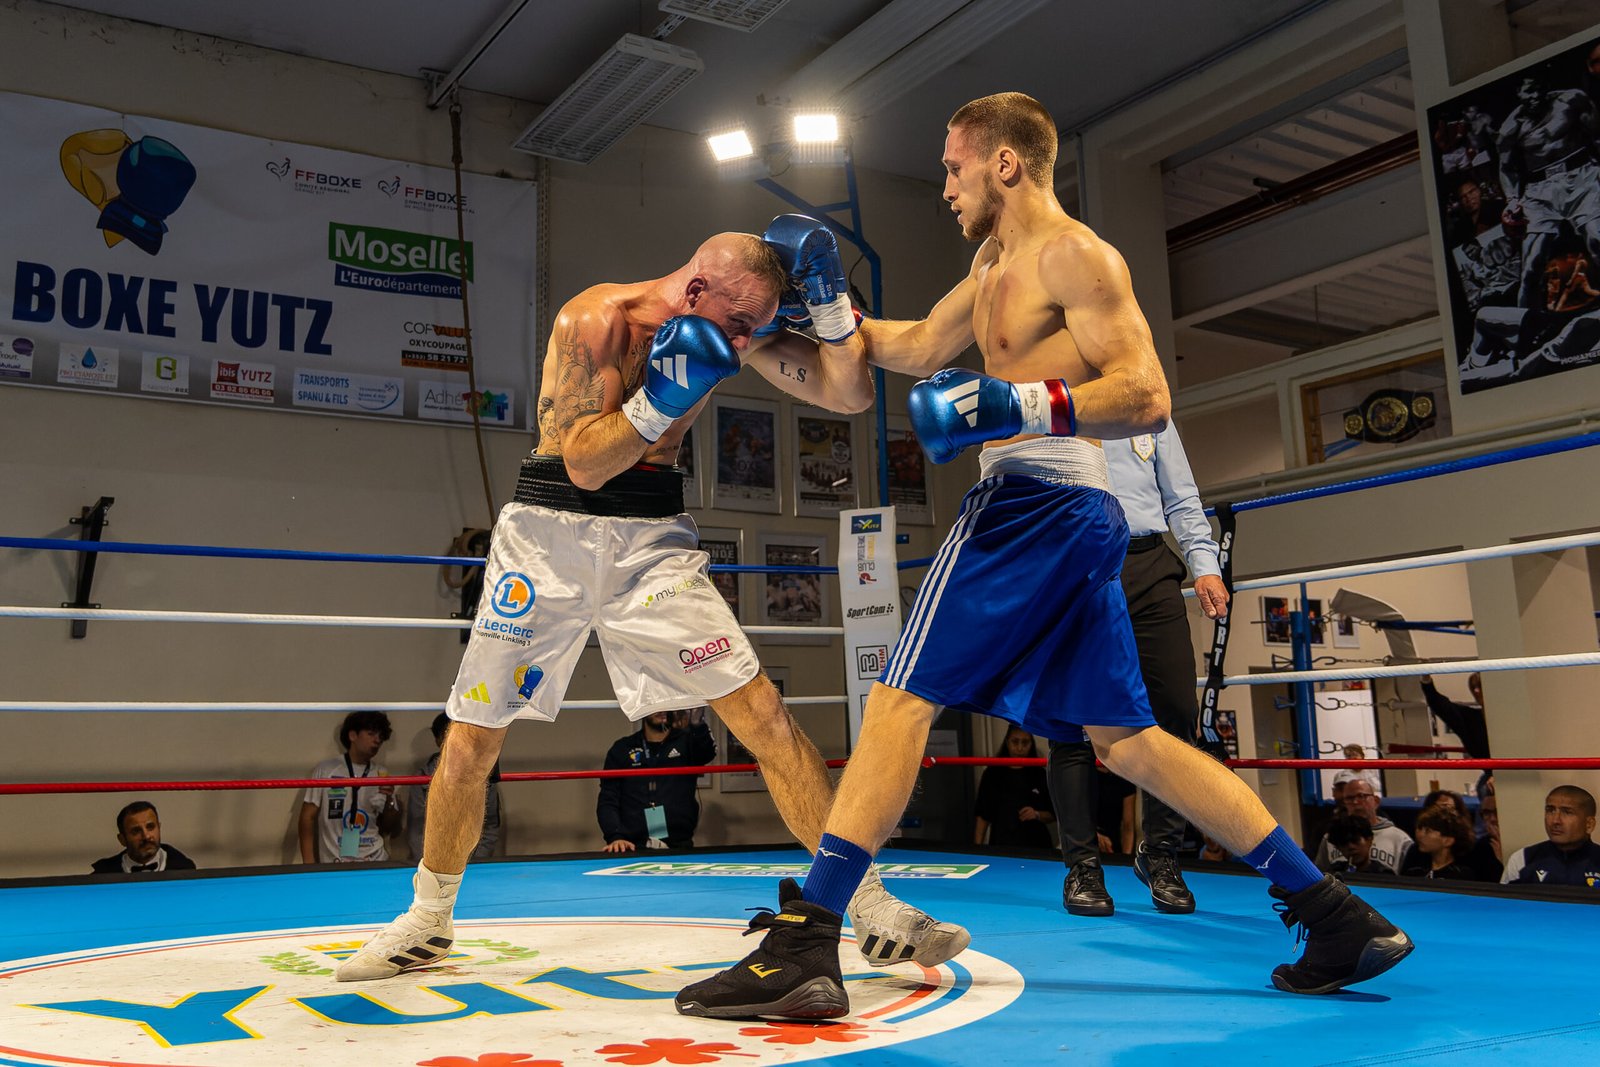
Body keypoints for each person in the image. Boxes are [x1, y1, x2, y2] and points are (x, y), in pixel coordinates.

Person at [676, 92, 1412, 1021]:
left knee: (903, 696)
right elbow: (914, 344)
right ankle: (1334, 912)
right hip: (1073, 515)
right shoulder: (992, 264)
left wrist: (1018, 404)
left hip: (1034, 499)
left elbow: (1147, 394)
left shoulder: (1075, 255)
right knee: (1129, 741)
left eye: (955, 168)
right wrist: (809, 318)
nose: (946, 187)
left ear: (1006, 163)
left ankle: (808, 938)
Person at [336, 227, 968, 982]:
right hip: (549, 535)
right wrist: (662, 396)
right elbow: (584, 463)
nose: (744, 344)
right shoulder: (596, 319)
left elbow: (850, 394)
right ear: (696, 292)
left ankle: (864, 903)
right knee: (473, 738)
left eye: (755, 330)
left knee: (763, 713)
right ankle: (427, 919)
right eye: (738, 327)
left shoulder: (741, 323)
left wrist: (831, 314)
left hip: (653, 542)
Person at [1047, 421, 1230, 917]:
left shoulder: (1149, 407)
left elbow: (1181, 494)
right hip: (1072, 563)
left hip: (1149, 563)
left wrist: (1205, 565)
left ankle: (1161, 854)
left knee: (1175, 711)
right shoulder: (1044, 401)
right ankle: (1082, 867)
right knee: (1071, 723)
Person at [1494, 74, 1600, 308]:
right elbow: (1507, 169)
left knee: (1597, 238)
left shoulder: (1571, 100)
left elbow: (1597, 135)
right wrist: (1511, 199)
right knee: (1532, 263)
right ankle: (1521, 323)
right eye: (1528, 91)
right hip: (1540, 190)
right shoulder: (1511, 128)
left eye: (1537, 89)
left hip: (1581, 177)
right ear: (1518, 94)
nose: (1534, 96)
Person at [598, 707, 716, 850]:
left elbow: (707, 752)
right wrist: (615, 836)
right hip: (632, 846)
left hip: (678, 844)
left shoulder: (686, 742)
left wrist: (698, 723)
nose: (661, 709)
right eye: (654, 704)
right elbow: (608, 798)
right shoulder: (622, 748)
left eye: (664, 702)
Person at [298, 710, 402, 865]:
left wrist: (389, 801)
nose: (377, 740)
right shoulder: (326, 770)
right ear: (352, 735)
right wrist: (308, 864)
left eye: (381, 736)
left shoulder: (381, 773)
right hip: (336, 862)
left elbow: (389, 827)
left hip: (375, 859)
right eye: (371, 734)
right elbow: (307, 817)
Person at [409, 713, 501, 862]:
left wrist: (477, 862)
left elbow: (490, 825)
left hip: (473, 861)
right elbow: (417, 829)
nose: (454, 741)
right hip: (435, 861)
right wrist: (429, 867)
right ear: (438, 739)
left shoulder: (483, 774)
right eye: (447, 735)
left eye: (459, 735)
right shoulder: (422, 777)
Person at [1501, 785, 1600, 888]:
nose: (1555, 820)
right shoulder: (1522, 859)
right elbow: (1503, 898)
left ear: (1589, 824)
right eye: (1550, 810)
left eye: (1567, 812)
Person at [973, 725, 1055, 849]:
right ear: (1007, 742)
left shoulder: (1040, 774)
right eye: (1015, 742)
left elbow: (1054, 814)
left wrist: (1037, 814)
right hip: (1001, 844)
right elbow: (983, 815)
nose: (1020, 748)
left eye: (1025, 742)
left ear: (1031, 744)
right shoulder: (992, 774)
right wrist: (977, 850)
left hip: (1036, 845)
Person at [1312, 779, 1412, 875]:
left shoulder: (1400, 839)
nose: (1355, 802)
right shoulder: (1330, 837)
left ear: (1376, 801)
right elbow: (1319, 874)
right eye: (1349, 799)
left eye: (1361, 796)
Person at [90, 801, 197, 874]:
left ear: (159, 828)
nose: (146, 836)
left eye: (150, 827)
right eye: (136, 831)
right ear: (122, 839)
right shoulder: (103, 875)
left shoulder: (186, 870)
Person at [1420, 673, 1490, 760]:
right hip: (1490, 767)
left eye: (1479, 685)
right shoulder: (1470, 719)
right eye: (1473, 687)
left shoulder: (1504, 716)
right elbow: (1441, 706)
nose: (1476, 691)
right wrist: (1426, 678)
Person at [1404, 806, 1477, 881]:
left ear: (1448, 841)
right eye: (1420, 828)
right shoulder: (1414, 872)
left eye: (1428, 831)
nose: (1420, 835)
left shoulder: (1461, 876)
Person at [1322, 816, 1390, 878]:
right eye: (1344, 843)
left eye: (1355, 840)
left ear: (1369, 840)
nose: (1350, 847)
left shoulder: (1385, 875)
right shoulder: (1333, 873)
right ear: (1338, 848)